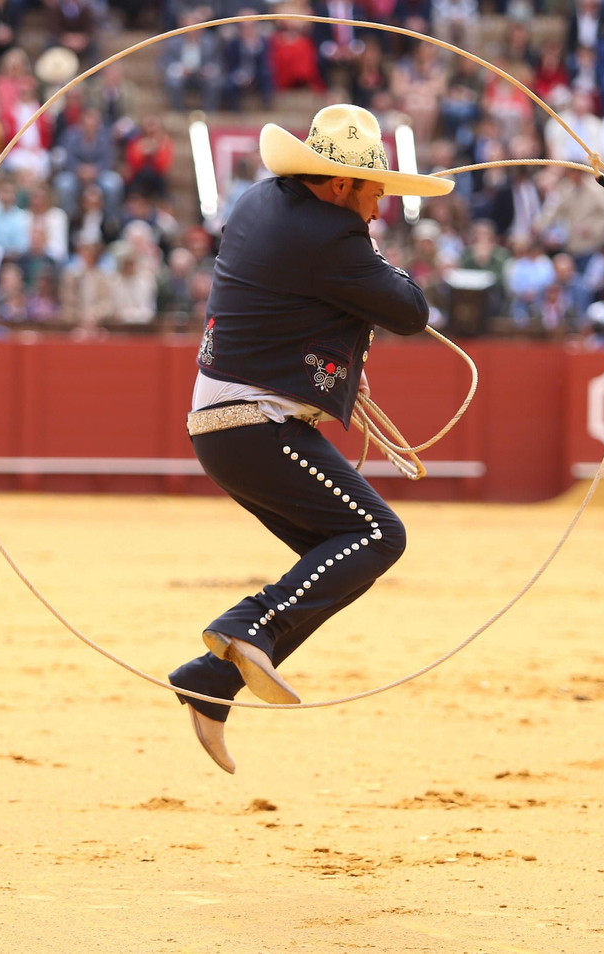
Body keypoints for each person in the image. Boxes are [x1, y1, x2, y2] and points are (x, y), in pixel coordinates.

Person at [166, 104, 453, 774]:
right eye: (374, 190)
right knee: (378, 538)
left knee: (337, 558)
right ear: (339, 184)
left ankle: (213, 681)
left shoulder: (259, 201)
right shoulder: (334, 238)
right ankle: (239, 629)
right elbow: (411, 309)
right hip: (255, 423)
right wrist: (368, 252)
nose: (381, 206)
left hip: (226, 424)